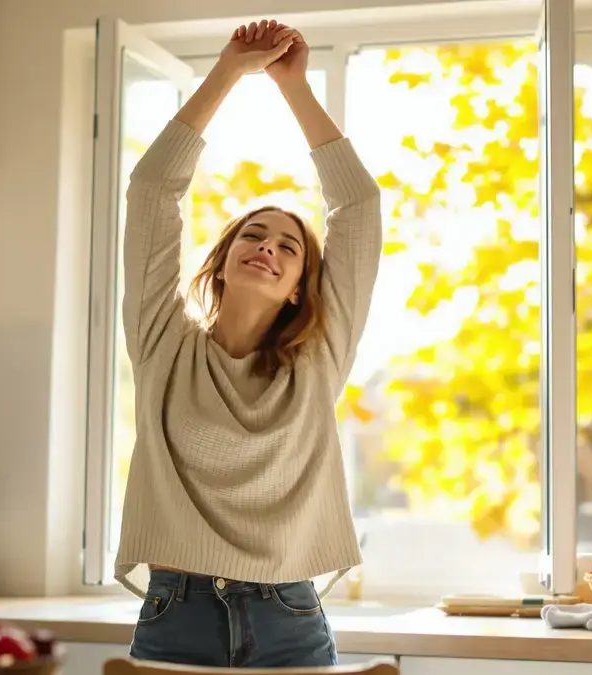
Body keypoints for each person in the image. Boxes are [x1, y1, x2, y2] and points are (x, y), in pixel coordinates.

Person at [115, 17, 382, 669]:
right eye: (252, 235)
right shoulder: (163, 343)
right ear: (224, 257)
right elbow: (153, 190)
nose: (268, 246)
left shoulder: (318, 360)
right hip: (175, 611)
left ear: (298, 285)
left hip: (289, 616)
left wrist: (293, 86)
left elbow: (359, 208)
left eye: (288, 246)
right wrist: (230, 70)